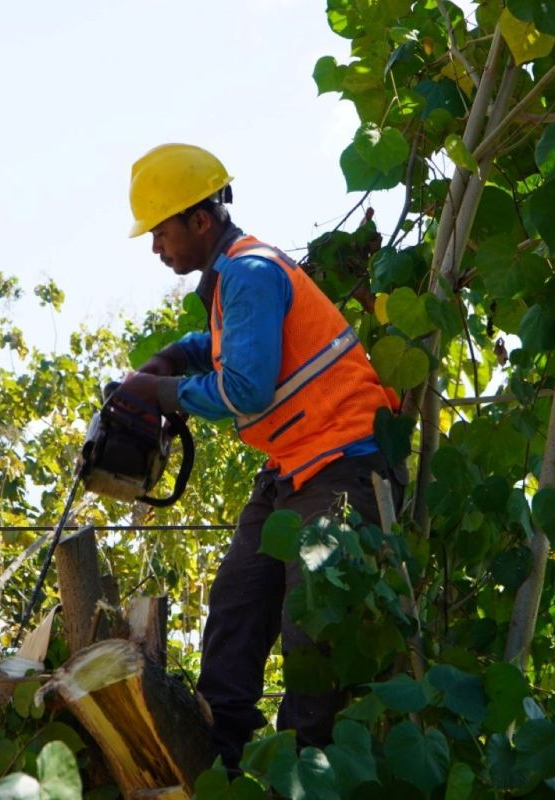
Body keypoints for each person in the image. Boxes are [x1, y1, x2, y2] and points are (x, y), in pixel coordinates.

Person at [117, 143, 401, 769]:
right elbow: (221, 341)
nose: (156, 248)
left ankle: (306, 771)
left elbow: (245, 388)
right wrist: (174, 358)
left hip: (345, 466)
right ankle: (216, 759)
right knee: (238, 606)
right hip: (296, 468)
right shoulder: (233, 281)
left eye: (161, 231)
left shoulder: (249, 272)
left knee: (312, 633)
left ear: (200, 220)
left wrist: (159, 392)